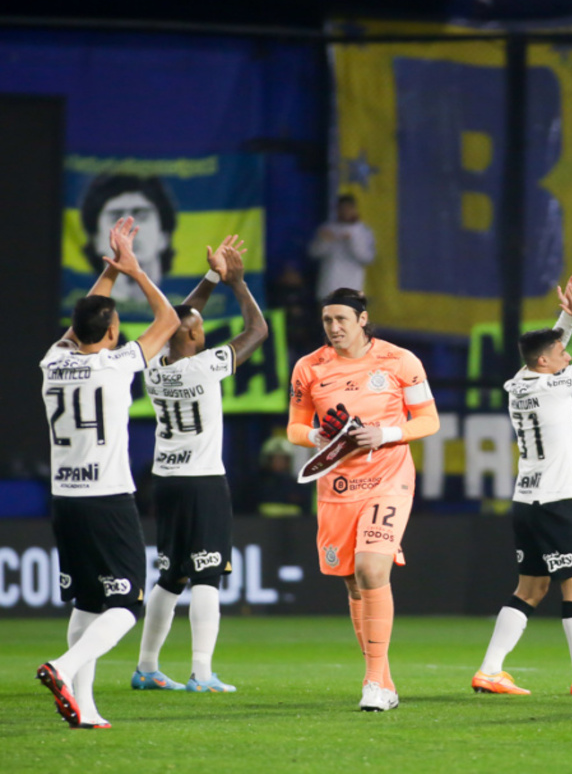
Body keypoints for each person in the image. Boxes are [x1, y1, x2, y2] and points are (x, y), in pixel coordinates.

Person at [37, 217, 181, 728]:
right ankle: (63, 666)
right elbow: (169, 320)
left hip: (65, 501)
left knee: (87, 602)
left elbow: (83, 324)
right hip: (107, 499)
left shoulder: (52, 362)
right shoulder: (116, 364)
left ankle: (85, 706)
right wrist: (135, 270)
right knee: (125, 605)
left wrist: (108, 275)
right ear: (115, 331)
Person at [471, 277, 572, 698]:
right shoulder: (554, 386)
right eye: (562, 354)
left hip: (526, 501)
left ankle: (490, 670)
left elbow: (546, 351)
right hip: (557, 501)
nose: (568, 355)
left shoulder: (520, 382)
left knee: (532, 587)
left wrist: (566, 316)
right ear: (546, 363)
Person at [287, 287, 440, 712]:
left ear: (362, 320)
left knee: (374, 568)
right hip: (336, 483)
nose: (334, 328)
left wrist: (385, 434)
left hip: (388, 476)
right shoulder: (309, 368)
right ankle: (384, 682)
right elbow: (294, 429)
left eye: (341, 320)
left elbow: (428, 420)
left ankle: (372, 682)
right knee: (354, 581)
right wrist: (318, 435)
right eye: (327, 321)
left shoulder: (400, 361)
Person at [130, 235, 269, 694]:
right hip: (203, 481)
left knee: (171, 575)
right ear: (193, 336)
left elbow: (178, 318)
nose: (203, 327)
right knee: (207, 573)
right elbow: (257, 332)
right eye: (200, 326)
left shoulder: (154, 365)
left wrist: (212, 276)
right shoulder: (204, 367)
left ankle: (147, 667)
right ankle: (202, 672)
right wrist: (239, 284)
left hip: (166, 479)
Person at [81, 174, 178, 305]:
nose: (128, 227)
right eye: (115, 217)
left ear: (164, 236)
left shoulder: (177, 309)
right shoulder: (88, 313)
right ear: (96, 240)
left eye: (142, 215)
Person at [309, 194, 375, 301]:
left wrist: (352, 241)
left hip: (352, 288)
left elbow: (367, 258)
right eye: (341, 209)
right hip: (328, 287)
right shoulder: (327, 228)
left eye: (348, 208)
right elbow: (314, 253)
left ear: (354, 209)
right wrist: (324, 241)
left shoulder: (363, 231)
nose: (345, 212)